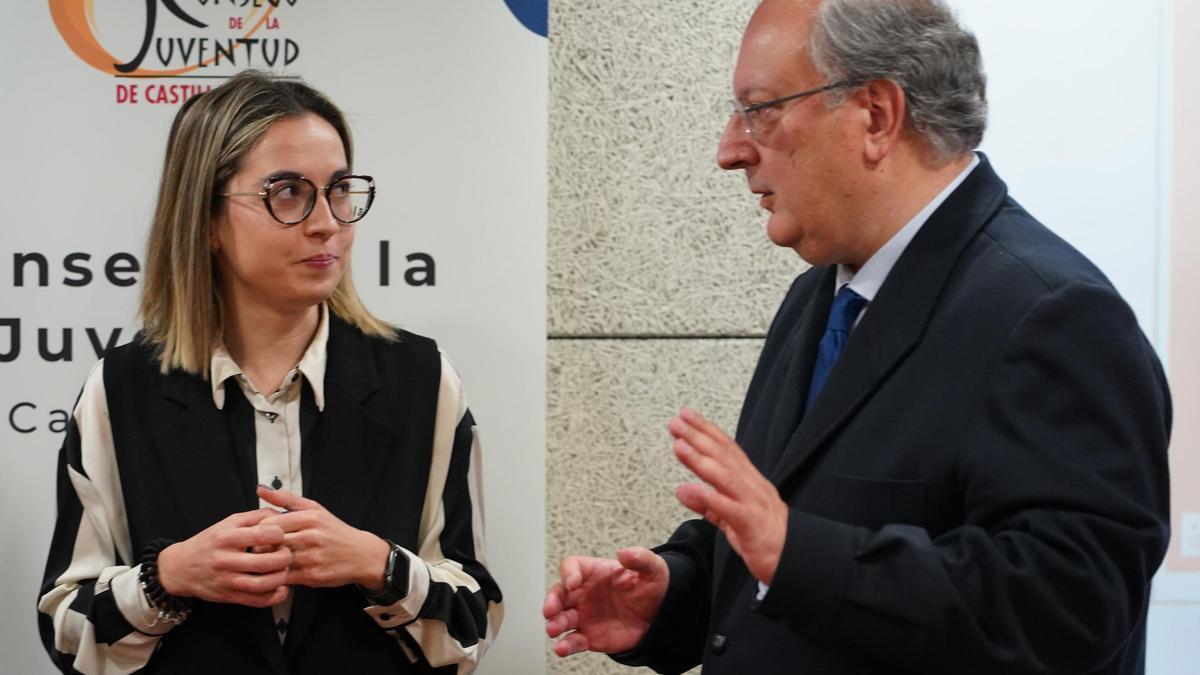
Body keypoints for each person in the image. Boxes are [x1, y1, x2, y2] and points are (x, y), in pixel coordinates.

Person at [544, 0, 1171, 673]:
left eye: (761, 110)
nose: (730, 149)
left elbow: (1070, 611)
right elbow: (796, 533)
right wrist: (677, 593)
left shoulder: (1054, 314)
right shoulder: (820, 294)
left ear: (875, 115)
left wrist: (793, 551)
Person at [38, 70, 502, 674]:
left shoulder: (422, 379)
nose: (326, 222)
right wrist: (167, 579)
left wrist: (379, 565)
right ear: (206, 220)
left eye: (339, 189)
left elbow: (473, 622)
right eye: (287, 192)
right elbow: (65, 632)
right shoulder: (120, 391)